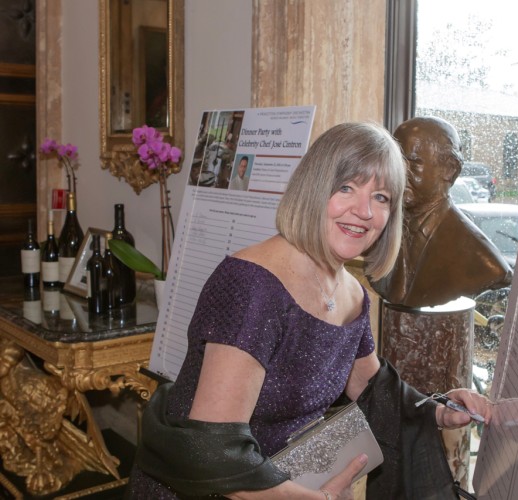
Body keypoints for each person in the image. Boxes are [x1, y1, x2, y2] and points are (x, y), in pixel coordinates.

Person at [127, 122, 493, 499]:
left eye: (381, 197)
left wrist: (437, 409)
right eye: (346, 188)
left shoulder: (351, 293)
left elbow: (373, 388)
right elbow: (214, 450)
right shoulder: (252, 285)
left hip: (288, 483)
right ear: (313, 189)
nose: (364, 211)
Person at [369, 116, 513, 308]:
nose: (399, 174)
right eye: (396, 162)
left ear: (449, 170)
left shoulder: (484, 264)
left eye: (413, 163)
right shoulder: (375, 230)